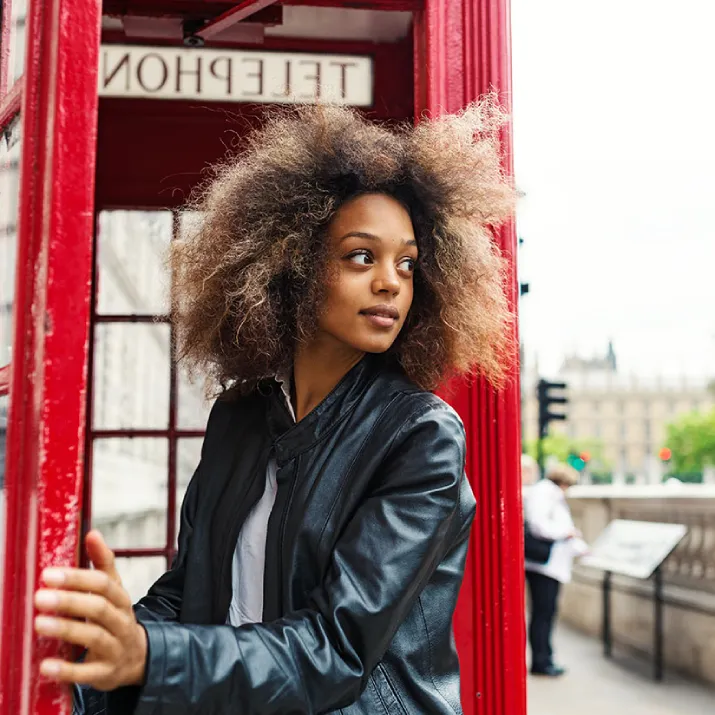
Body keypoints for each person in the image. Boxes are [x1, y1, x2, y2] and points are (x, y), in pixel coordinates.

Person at [32, 100, 516, 714]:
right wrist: (93, 658)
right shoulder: (240, 416)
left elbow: (336, 648)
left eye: (408, 264)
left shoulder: (419, 436)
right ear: (294, 262)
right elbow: (190, 594)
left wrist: (151, 657)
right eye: (361, 256)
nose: (391, 282)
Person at [523, 463, 588, 677]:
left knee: (545, 613)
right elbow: (538, 525)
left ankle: (545, 657)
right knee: (543, 614)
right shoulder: (545, 493)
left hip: (548, 564)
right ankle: (541, 661)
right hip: (544, 566)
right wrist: (567, 532)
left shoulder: (548, 493)